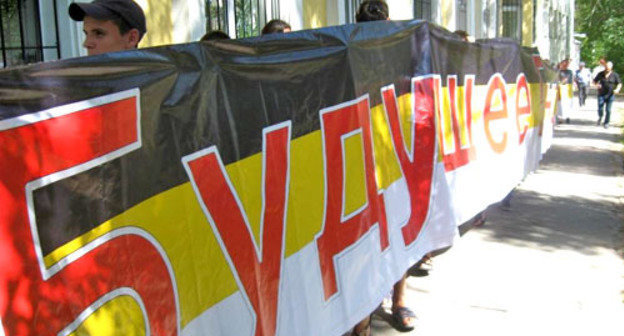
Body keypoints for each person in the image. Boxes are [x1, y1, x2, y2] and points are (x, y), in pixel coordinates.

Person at [350, 2, 416, 335]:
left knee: (397, 236)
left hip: (394, 163)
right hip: (360, 166)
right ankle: (362, 322)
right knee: (367, 244)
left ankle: (397, 302)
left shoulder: (405, 53)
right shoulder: (345, 57)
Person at [69, 0, 146, 56]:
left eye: (98, 33)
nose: (86, 44)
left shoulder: (153, 76)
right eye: (86, 34)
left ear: (131, 38)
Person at [593, 61, 622, 128]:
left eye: (608, 68)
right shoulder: (600, 74)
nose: (607, 69)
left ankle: (606, 123)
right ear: (605, 67)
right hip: (601, 94)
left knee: (608, 110)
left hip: (610, 95)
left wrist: (617, 89)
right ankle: (600, 117)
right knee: (600, 108)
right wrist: (597, 85)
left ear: (611, 68)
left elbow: (619, 83)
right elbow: (594, 81)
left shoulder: (615, 75)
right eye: (606, 68)